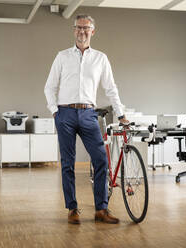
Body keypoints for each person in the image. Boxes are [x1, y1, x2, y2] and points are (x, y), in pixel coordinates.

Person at [44, 14, 128, 224]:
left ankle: (101, 209)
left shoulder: (101, 58)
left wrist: (121, 114)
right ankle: (72, 208)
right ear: (74, 30)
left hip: (89, 114)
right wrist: (55, 111)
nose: (82, 31)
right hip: (65, 114)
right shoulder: (62, 56)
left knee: (100, 159)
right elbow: (50, 87)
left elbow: (111, 88)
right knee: (68, 163)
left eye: (86, 28)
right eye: (79, 28)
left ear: (93, 31)